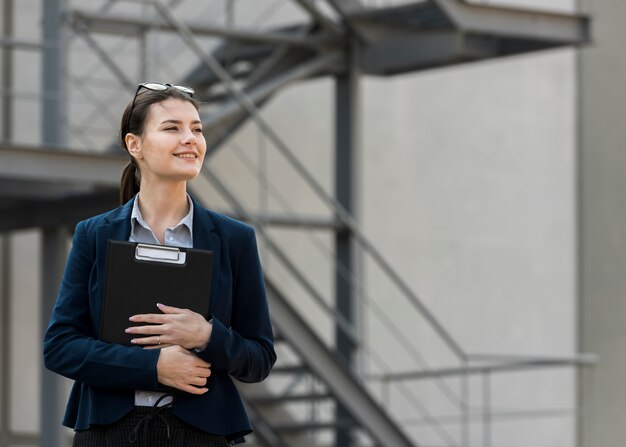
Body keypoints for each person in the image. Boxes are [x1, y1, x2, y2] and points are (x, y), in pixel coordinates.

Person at [43, 83, 276, 446]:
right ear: (135, 144)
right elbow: (60, 347)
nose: (190, 139)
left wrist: (207, 335)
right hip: (108, 433)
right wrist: (153, 368)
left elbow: (259, 358)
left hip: (201, 435)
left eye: (196, 129)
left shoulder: (234, 240)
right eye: (172, 128)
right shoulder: (94, 235)